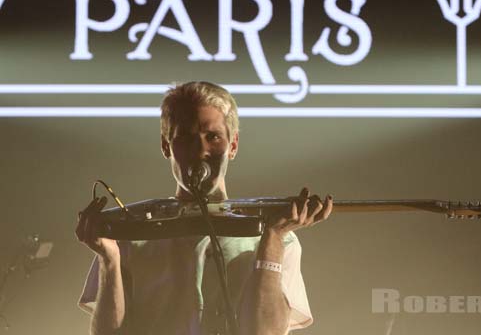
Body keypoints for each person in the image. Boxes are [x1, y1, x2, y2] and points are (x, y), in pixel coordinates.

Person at [75, 81, 333, 335]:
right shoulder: (130, 236)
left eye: (213, 137)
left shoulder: (280, 239)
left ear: (232, 146)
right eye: (185, 138)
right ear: (167, 146)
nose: (200, 151)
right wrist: (109, 259)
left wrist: (273, 240)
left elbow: (264, 332)